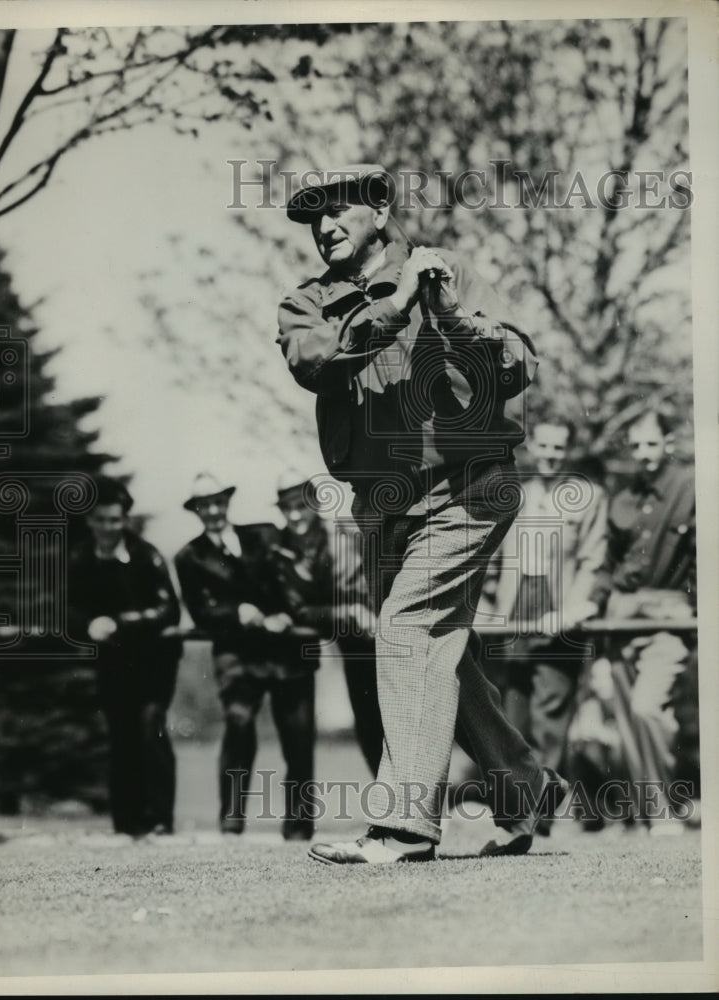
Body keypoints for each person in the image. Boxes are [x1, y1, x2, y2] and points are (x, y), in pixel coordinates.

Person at [277, 163, 566, 864]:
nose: (324, 226)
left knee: (407, 629)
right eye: (312, 216)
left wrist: (449, 316)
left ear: (379, 207)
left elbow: (518, 365)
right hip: (381, 499)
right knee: (439, 654)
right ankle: (523, 787)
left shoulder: (452, 272)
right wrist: (398, 304)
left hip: (470, 484)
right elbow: (312, 362)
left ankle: (402, 825)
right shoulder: (307, 301)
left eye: (338, 208)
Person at [570, 410, 698, 830]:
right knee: (626, 720)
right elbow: (606, 565)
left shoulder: (690, 488)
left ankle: (666, 805)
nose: (644, 454)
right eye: (636, 445)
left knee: (648, 709)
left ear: (667, 443)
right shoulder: (621, 497)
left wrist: (691, 607)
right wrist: (592, 600)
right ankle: (652, 813)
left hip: (669, 619)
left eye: (651, 443)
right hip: (621, 619)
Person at [174, 472, 317, 840]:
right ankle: (231, 824)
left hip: (286, 650)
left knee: (298, 738)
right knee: (238, 727)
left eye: (219, 502)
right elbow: (200, 611)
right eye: (205, 505)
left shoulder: (264, 534)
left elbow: (292, 580)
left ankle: (299, 829)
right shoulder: (189, 557)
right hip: (238, 654)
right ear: (196, 510)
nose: (213, 511)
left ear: (227, 502)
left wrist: (288, 613)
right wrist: (235, 612)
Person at [491, 420, 608, 780]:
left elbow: (593, 559)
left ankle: (542, 806)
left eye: (558, 448)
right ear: (531, 449)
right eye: (544, 447)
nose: (551, 456)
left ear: (568, 451)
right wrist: (489, 607)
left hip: (558, 608)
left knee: (551, 708)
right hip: (516, 607)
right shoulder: (515, 495)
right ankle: (519, 801)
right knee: (514, 709)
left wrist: (572, 609)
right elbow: (493, 559)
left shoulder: (589, 497)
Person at [68, 476, 181, 837]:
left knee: (151, 729)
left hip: (154, 660)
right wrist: (88, 624)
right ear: (90, 520)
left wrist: (118, 623)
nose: (108, 527)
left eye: (115, 520)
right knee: (121, 736)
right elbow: (69, 609)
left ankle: (160, 820)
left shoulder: (147, 555)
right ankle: (127, 824)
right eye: (100, 520)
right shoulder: (80, 557)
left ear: (125, 520)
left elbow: (169, 610)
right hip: (114, 662)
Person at [271, 470, 383, 776]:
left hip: (381, 636)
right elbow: (298, 609)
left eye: (300, 505)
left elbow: (367, 587)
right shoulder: (282, 548)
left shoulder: (343, 535)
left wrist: (360, 610)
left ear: (316, 503)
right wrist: (346, 613)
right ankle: (394, 810)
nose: (294, 515)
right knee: (368, 724)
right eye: (286, 508)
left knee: (394, 723)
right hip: (349, 640)